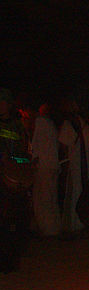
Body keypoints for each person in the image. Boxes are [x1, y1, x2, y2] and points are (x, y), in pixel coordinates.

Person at [58, 98, 89, 235]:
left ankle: (77, 225)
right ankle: (88, 225)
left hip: (77, 167)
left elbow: (63, 146)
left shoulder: (71, 124)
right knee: (88, 195)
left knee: (76, 193)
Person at [0, 88, 31, 272]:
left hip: (13, 177)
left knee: (15, 218)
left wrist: (18, 163)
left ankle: (12, 259)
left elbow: (24, 152)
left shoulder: (17, 126)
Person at [31, 102, 61, 236]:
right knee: (51, 196)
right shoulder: (52, 124)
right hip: (53, 164)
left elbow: (35, 145)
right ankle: (54, 227)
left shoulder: (40, 122)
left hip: (44, 166)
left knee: (43, 198)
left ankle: (47, 229)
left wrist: (34, 160)